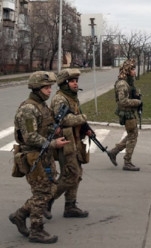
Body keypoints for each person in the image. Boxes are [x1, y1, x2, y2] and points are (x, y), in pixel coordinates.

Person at [9, 71, 69, 243]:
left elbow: (44, 128)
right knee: (41, 193)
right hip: (33, 156)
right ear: (36, 88)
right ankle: (36, 230)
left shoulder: (42, 106)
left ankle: (20, 215)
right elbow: (30, 136)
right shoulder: (29, 109)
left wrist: (54, 131)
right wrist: (52, 143)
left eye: (50, 87)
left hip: (45, 155)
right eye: (46, 87)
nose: (49, 90)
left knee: (50, 190)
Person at [46, 68, 90, 219]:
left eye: (76, 81)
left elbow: (74, 115)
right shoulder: (60, 99)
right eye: (72, 81)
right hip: (64, 142)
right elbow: (63, 120)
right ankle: (46, 200)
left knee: (76, 174)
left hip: (74, 140)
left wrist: (85, 128)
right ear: (65, 83)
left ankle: (70, 205)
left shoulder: (71, 97)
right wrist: (82, 118)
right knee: (70, 174)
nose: (75, 84)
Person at [107, 58, 142, 171]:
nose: (135, 71)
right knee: (132, 136)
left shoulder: (128, 82)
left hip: (130, 112)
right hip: (127, 114)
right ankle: (127, 162)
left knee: (132, 135)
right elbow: (122, 101)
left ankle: (114, 152)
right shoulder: (122, 84)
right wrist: (137, 102)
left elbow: (130, 94)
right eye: (132, 69)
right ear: (127, 70)